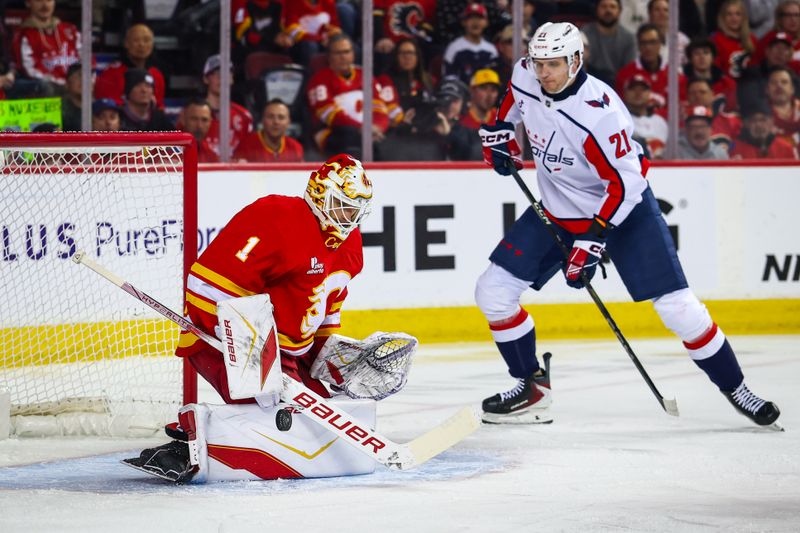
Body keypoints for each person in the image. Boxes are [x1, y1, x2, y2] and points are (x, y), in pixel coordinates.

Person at [476, 22, 780, 428]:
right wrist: (500, 132)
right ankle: (531, 387)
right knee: (493, 291)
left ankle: (737, 387)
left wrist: (594, 239)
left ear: (576, 60)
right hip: (560, 208)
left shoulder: (600, 113)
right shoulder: (526, 74)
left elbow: (626, 182)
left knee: (679, 310)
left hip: (624, 211)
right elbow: (513, 100)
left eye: (553, 64)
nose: (543, 72)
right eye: (538, 62)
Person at [127, 154, 375, 482]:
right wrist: (255, 358)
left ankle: (225, 431)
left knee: (320, 412)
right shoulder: (277, 217)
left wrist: (335, 362)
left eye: (356, 209)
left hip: (288, 354)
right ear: (318, 194)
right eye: (342, 205)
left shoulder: (351, 243)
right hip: (224, 336)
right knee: (271, 410)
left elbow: (327, 308)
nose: (349, 217)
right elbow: (205, 286)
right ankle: (187, 444)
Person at [306, 33, 389, 159]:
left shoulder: (365, 75)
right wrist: (362, 129)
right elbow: (330, 115)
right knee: (349, 137)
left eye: (346, 52)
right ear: (329, 56)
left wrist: (378, 127)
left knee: (390, 140)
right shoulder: (320, 79)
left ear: (353, 54)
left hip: (369, 131)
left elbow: (380, 107)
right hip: (333, 133)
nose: (343, 57)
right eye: (338, 53)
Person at [615, 23, 685, 114]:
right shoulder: (624, 75)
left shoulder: (675, 75)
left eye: (652, 42)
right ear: (638, 46)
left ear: (661, 44)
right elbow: (620, 108)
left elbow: (680, 109)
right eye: (643, 43)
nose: (648, 47)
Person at [12, 0, 81, 93]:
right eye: (39, 1)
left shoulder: (70, 30)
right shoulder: (24, 35)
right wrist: (60, 83)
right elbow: (29, 70)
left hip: (77, 88)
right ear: (28, 3)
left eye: (49, 0)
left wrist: (78, 81)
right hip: (49, 92)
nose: (45, 5)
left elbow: (87, 59)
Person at [95, 24, 167, 109]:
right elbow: (107, 108)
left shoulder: (156, 75)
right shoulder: (111, 73)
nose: (141, 45)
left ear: (152, 45)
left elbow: (159, 107)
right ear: (126, 43)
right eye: (136, 40)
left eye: (146, 40)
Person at [201, 54, 254, 158]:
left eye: (227, 74)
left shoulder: (244, 116)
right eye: (218, 74)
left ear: (232, 80)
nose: (223, 79)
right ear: (206, 79)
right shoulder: (192, 113)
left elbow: (249, 153)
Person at [581, 0, 637, 87]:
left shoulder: (629, 38)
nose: (608, 10)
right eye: (604, 6)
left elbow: (628, 70)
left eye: (612, 7)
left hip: (618, 86)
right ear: (596, 10)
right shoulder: (585, 33)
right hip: (589, 83)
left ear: (620, 11)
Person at [442, 3, 499, 86]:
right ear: (463, 22)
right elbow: (449, 78)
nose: (475, 22)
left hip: (487, 95)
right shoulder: (454, 48)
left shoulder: (491, 50)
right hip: (461, 95)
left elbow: (495, 76)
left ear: (486, 22)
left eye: (479, 18)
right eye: (471, 18)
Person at [234, 99, 305, 162]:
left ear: (288, 122)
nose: (276, 122)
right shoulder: (246, 146)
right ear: (262, 120)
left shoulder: (296, 148)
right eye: (271, 117)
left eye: (281, 117)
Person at [684, 39, 739, 112]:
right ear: (690, 59)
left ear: (713, 58)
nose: (702, 57)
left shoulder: (728, 84)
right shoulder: (681, 83)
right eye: (696, 53)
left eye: (706, 53)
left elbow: (731, 110)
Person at [731, 100, 799, 157]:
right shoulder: (735, 147)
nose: (758, 125)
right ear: (746, 124)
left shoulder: (785, 148)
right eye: (753, 120)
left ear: (772, 122)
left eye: (763, 120)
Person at [622, 74, 667, 159]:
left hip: (662, 169)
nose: (638, 93)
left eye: (643, 89)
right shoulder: (620, 120)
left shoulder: (661, 122)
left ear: (650, 93)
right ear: (625, 93)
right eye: (632, 89)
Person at [711, 0, 758, 78]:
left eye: (738, 14)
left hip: (751, 85)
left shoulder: (752, 39)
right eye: (729, 14)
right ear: (722, 17)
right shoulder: (715, 40)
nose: (734, 18)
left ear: (743, 17)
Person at [765, 66, 800, 146]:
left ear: (792, 89)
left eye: (784, 82)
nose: (779, 86)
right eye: (774, 82)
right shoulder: (759, 114)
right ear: (767, 89)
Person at [180, 99, 219, 163]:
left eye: (204, 120)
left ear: (210, 122)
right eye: (194, 119)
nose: (199, 126)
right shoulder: (167, 154)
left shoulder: (212, 157)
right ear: (183, 119)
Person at [60, 62, 85, 131]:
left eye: (87, 76)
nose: (83, 80)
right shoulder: (60, 109)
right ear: (67, 84)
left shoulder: (98, 107)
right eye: (78, 76)